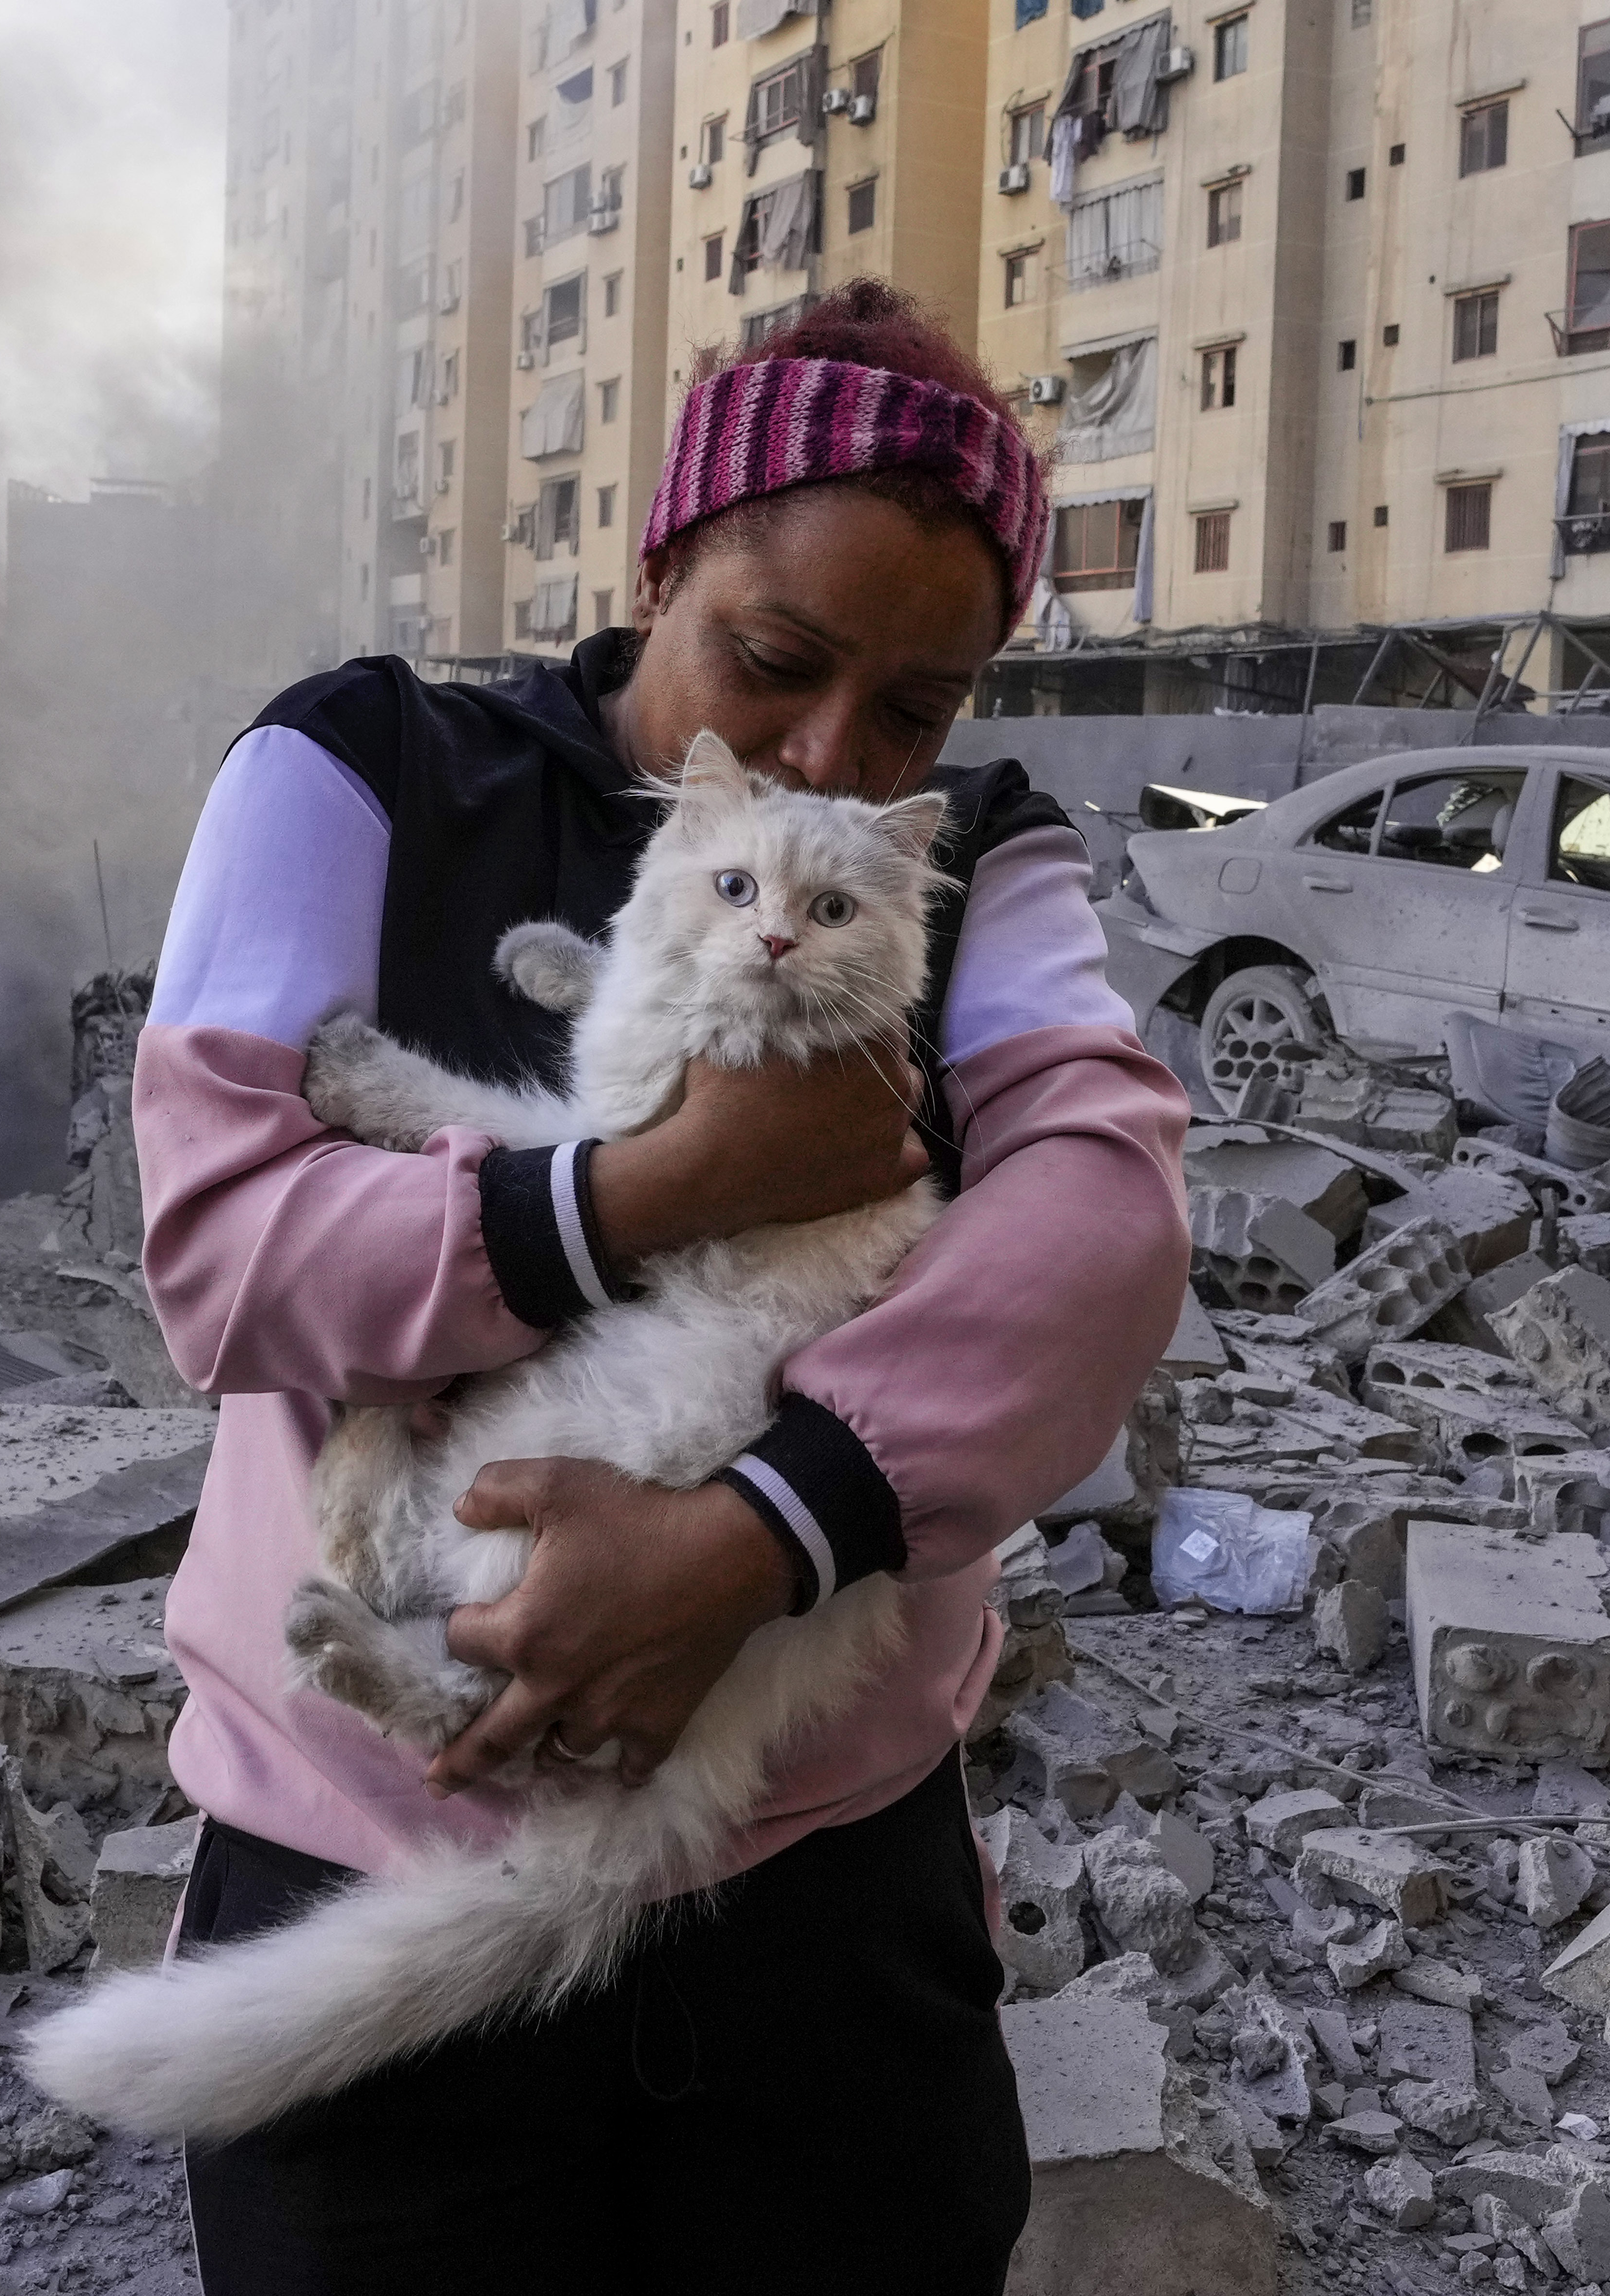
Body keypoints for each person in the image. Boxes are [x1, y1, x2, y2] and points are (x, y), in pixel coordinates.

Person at [128, 280, 1191, 2294]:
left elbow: (1107, 1221)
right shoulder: (362, 769)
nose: (821, 750)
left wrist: (753, 1539)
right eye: (773, 658)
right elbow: (218, 1251)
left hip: (818, 1897)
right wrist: (636, 1193)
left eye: (915, 713)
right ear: (668, 556)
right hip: (370, 1832)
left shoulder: (966, 866)